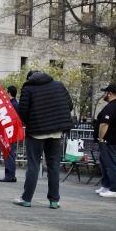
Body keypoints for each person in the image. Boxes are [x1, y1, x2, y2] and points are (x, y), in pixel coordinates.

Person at [12, 71, 73, 209]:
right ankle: (54, 200)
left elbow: (22, 111)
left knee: (33, 165)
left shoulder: (28, 88)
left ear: (29, 78)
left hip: (36, 132)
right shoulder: (59, 85)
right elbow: (69, 105)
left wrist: (30, 123)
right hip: (56, 132)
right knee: (53, 167)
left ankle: (26, 199)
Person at [94, 83, 116, 198]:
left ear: (110, 93)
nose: (104, 95)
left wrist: (101, 138)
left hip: (110, 140)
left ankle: (114, 189)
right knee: (105, 163)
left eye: (105, 92)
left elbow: (104, 124)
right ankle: (106, 185)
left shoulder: (112, 107)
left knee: (110, 164)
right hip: (113, 140)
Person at [0, 85, 19, 183]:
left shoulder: (11, 105)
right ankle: (12, 175)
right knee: (11, 154)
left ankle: (9, 176)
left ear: (9, 93)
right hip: (13, 132)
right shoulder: (15, 104)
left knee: (9, 154)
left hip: (9, 133)